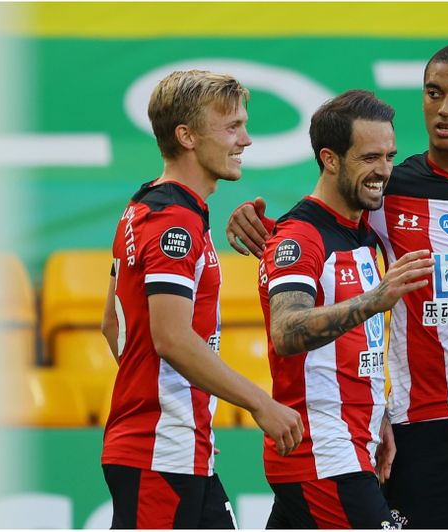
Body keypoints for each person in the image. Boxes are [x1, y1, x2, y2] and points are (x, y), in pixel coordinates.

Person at [228, 43, 448, 529]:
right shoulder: (385, 186)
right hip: (420, 429)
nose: (445, 108)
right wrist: (265, 226)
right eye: (434, 93)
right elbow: (325, 231)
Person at [99, 70, 304, 529]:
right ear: (186, 136)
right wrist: (259, 403)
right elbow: (170, 337)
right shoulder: (175, 222)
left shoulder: (144, 208)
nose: (246, 140)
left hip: (173, 448)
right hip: (160, 451)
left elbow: (112, 326)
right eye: (232, 127)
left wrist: (150, 387)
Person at [259, 89, 433, 529]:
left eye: (390, 156)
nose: (385, 171)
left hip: (351, 446)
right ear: (330, 159)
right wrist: (374, 300)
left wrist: (381, 415)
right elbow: (286, 330)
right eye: (369, 157)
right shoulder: (300, 237)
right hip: (321, 451)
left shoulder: (363, 232)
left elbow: (360, 347)